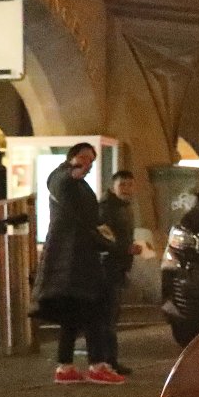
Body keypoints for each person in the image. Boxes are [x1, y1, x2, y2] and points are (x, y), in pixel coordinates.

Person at [32, 143, 123, 384]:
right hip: (71, 257)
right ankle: (97, 364)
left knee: (72, 314)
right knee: (94, 309)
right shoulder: (61, 178)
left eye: (91, 160)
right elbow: (63, 182)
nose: (88, 164)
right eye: (84, 157)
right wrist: (74, 171)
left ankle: (65, 366)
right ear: (72, 157)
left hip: (76, 256)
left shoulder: (79, 184)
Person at [100, 171, 143, 376]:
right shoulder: (106, 208)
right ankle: (107, 361)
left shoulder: (124, 207)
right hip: (107, 267)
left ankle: (109, 360)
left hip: (119, 267)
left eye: (129, 185)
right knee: (108, 315)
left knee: (112, 315)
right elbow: (103, 238)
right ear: (113, 186)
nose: (126, 189)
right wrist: (125, 249)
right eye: (122, 185)